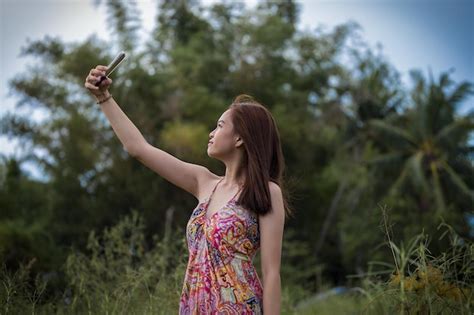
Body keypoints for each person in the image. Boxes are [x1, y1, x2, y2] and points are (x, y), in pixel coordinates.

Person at [84, 65, 291, 314]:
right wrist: (104, 98)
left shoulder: (267, 192)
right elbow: (138, 148)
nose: (211, 133)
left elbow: (271, 273)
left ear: (239, 139)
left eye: (220, 126)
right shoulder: (203, 181)